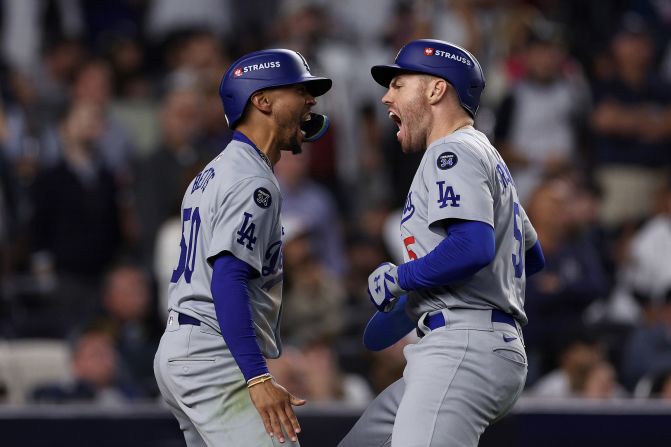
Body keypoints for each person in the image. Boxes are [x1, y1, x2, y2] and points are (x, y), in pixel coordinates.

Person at [339, 39, 545, 447]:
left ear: (436, 90)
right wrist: (424, 294)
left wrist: (404, 278)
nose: (386, 97)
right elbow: (530, 254)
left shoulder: (451, 152)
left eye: (398, 84)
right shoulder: (487, 154)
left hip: (462, 347)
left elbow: (473, 248)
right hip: (470, 342)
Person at [153, 49, 332, 447]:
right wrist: (257, 376)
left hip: (185, 344)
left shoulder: (214, 171)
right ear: (262, 100)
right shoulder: (253, 180)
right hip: (211, 354)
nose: (311, 100)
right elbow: (228, 279)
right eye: (298, 90)